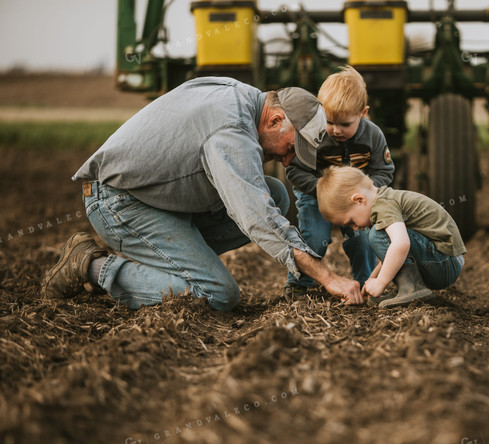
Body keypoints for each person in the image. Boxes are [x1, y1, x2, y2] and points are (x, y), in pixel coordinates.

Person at [41, 76, 364, 310]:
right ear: (276, 119)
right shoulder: (231, 131)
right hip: (119, 203)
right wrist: (328, 278)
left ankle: (168, 264)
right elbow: (256, 217)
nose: (288, 159)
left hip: (156, 197)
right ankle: (90, 267)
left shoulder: (237, 92)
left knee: (276, 192)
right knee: (218, 294)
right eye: (292, 147)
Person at [283, 66, 394, 299]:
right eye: (330, 121)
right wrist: (323, 189)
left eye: (345, 124)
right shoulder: (313, 136)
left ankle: (365, 283)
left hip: (357, 201)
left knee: (363, 239)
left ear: (362, 113)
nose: (336, 130)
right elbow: (295, 171)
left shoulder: (373, 136)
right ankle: (298, 284)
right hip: (316, 196)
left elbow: (384, 171)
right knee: (314, 239)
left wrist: (365, 191)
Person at [316, 166, 466, 308]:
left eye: (351, 221)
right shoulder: (385, 200)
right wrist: (372, 279)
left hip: (444, 263)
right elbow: (392, 255)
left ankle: (412, 288)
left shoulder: (383, 206)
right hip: (444, 261)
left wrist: (381, 282)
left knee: (376, 233)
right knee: (378, 234)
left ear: (359, 200)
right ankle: (406, 287)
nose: (355, 228)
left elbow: (401, 245)